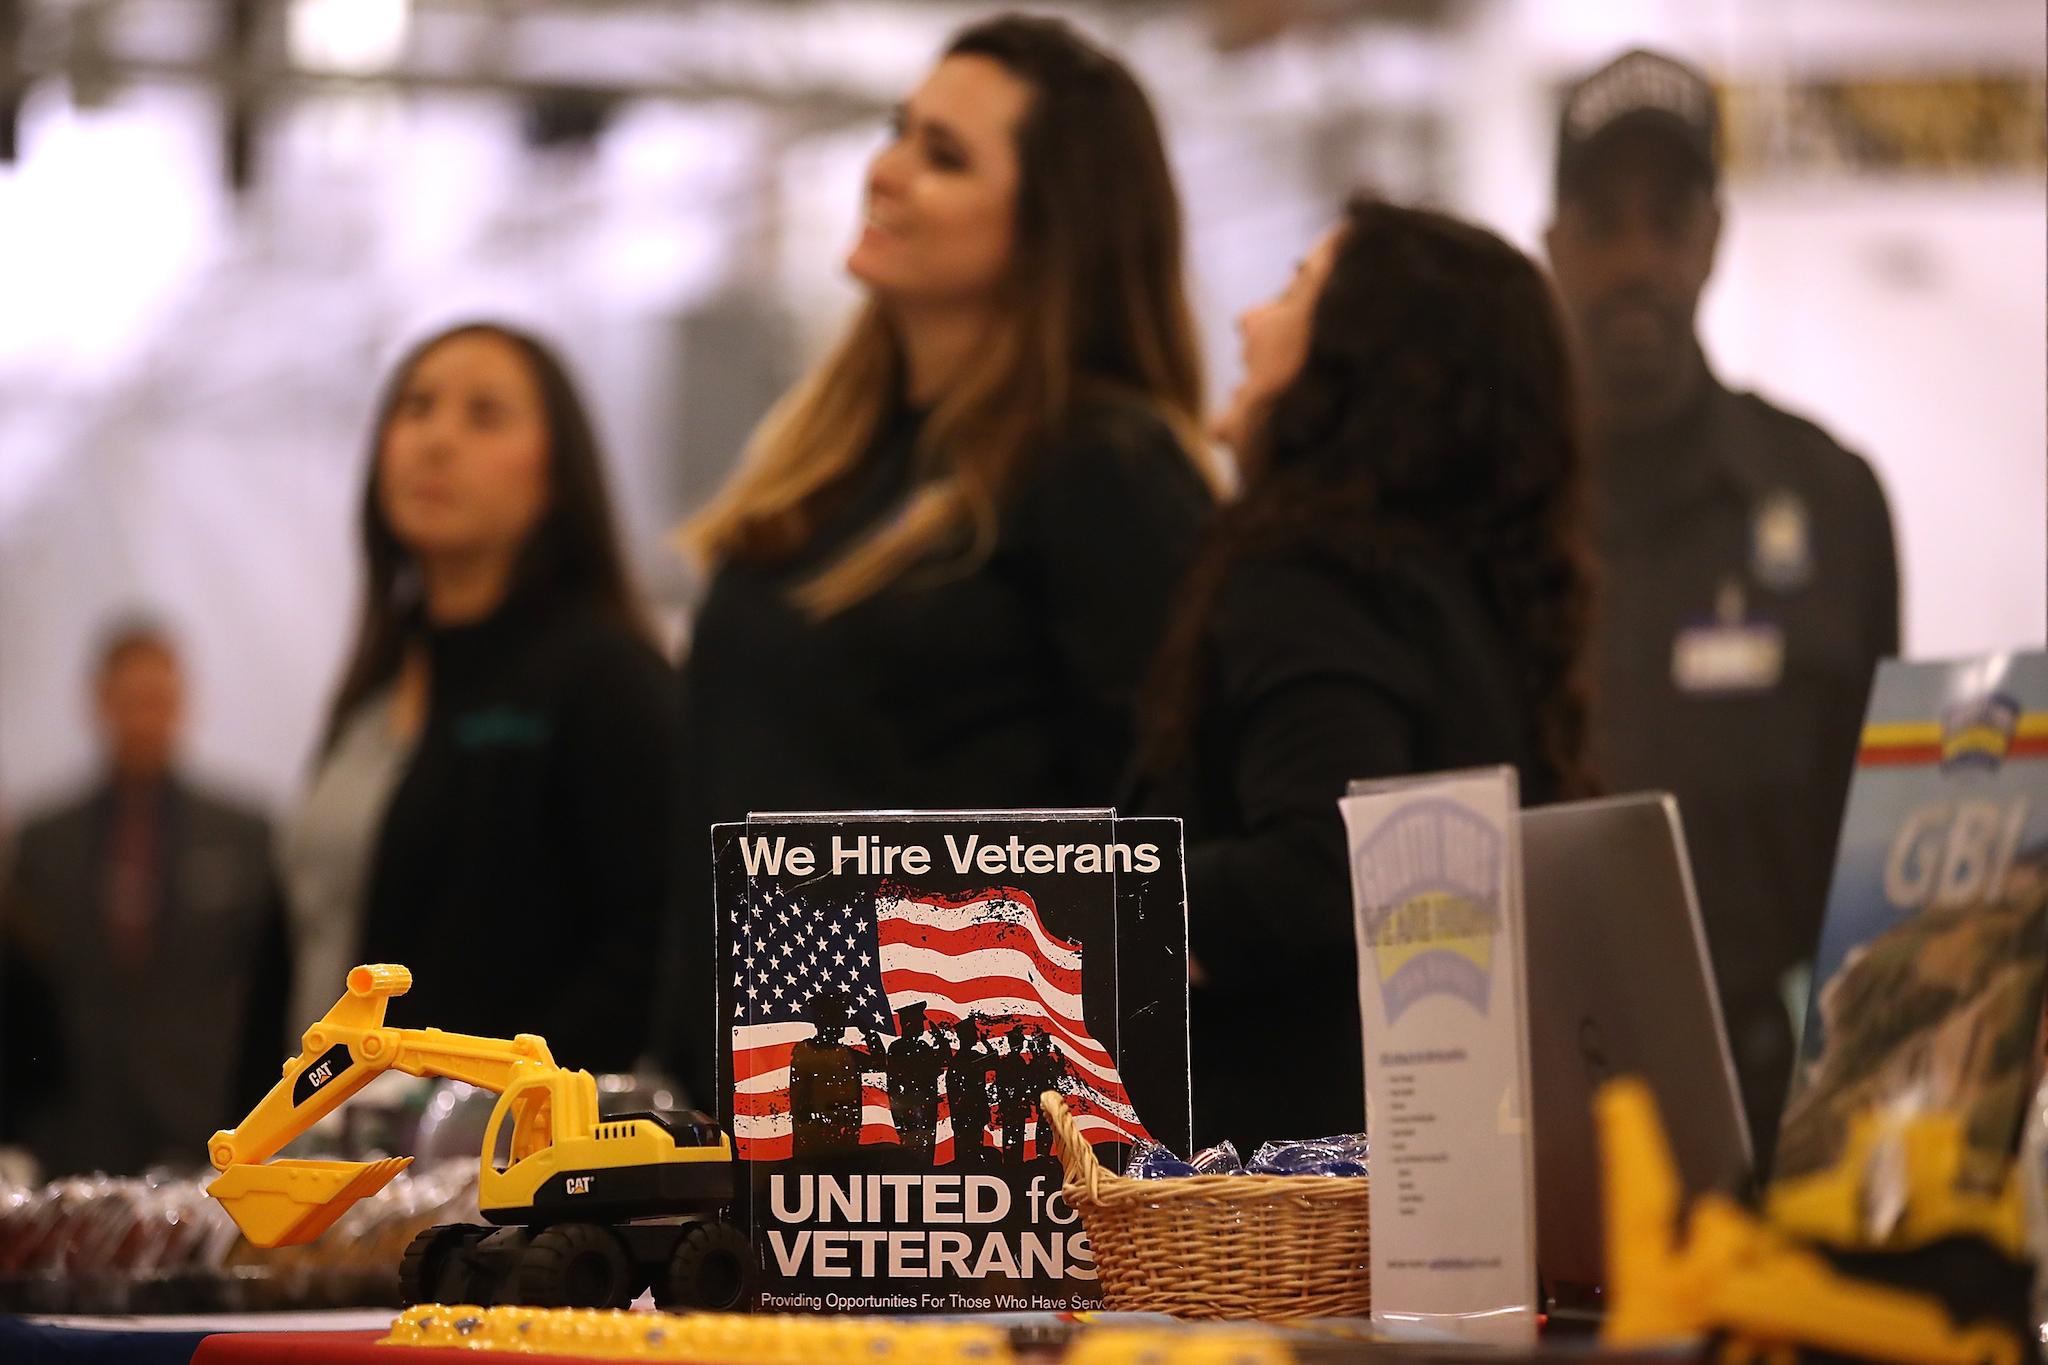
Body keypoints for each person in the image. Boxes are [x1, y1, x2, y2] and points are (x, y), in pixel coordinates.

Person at [669, 14, 1218, 1100]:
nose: (887, 171)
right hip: (742, 1100)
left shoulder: (1099, 467)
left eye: (944, 155)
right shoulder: (828, 461)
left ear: (1054, 228)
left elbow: (1168, 838)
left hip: (938, 1155)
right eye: (899, 131)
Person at [1137, 199, 1596, 1151]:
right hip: (1436, 1180)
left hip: (1292, 1212)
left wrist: (1087, 909)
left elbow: (1332, 860)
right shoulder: (1464, 592)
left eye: (1292, 287)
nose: (1244, 320)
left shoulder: (1307, 573)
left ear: (1361, 365)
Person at [1544, 50, 1900, 1166]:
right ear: (1553, 246)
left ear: (1712, 239)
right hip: (1526, 1106)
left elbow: (1881, 862)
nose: (1635, 259)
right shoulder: (1488, 502)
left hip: (1774, 1114)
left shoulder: (1828, 500)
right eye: (1603, 222)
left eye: (1668, 217)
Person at [281, 322, 676, 1071]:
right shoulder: (377, 685)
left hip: (488, 1167)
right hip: (319, 1158)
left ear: (557, 474)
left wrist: (481, 1112)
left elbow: (650, 947)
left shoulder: (605, 678)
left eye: (484, 414)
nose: (437, 439)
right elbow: (297, 945)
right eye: (416, 406)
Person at [0, 623, 285, 1174]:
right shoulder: (43, 840)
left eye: (155, 700)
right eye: (128, 700)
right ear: (99, 704)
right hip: (74, 1127)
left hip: (208, 1122)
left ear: (181, 702)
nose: (142, 718)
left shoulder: (243, 834)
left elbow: (266, 995)